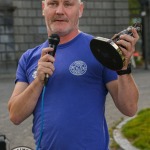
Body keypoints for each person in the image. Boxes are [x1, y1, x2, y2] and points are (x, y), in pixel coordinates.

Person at [8, 0, 139, 149]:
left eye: (68, 4)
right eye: (53, 4)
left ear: (80, 10)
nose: (59, 11)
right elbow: (15, 116)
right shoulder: (29, 57)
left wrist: (123, 68)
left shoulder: (99, 50)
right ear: (43, 8)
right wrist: (38, 81)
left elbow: (129, 108)